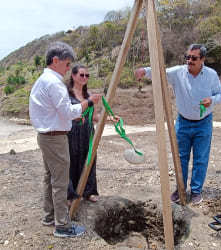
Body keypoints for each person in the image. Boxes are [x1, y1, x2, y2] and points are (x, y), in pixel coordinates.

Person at [135, 44, 221, 205]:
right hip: (183, 122)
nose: (189, 60)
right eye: (188, 57)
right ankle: (180, 189)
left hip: (203, 123)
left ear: (202, 59)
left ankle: (196, 191)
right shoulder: (178, 72)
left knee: (200, 158)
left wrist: (212, 100)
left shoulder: (211, 75)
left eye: (194, 58)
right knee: (180, 158)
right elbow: (159, 73)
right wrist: (144, 71)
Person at [29, 41, 101, 237]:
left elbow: (54, 111)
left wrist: (70, 115)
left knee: (49, 178)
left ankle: (49, 216)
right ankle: (62, 225)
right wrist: (89, 102)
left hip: (46, 135)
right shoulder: (54, 83)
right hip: (55, 138)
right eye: (68, 64)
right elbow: (68, 110)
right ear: (55, 61)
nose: (69, 68)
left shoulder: (43, 80)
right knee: (60, 181)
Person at [66, 64, 119, 205]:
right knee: (72, 161)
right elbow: (65, 114)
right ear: (73, 76)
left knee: (89, 160)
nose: (84, 78)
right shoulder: (67, 94)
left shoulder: (89, 96)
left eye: (87, 75)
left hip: (88, 131)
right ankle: (70, 194)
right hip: (72, 132)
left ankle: (87, 191)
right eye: (81, 75)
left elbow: (95, 117)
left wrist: (110, 118)